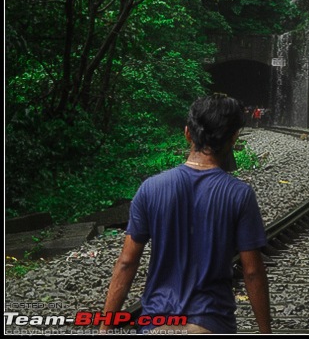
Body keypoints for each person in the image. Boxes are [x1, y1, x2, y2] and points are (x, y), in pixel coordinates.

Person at [101, 94, 271, 334]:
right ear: (234, 137)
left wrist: (105, 327)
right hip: (209, 324)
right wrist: (266, 331)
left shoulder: (151, 188)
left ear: (187, 134)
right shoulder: (239, 195)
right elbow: (252, 272)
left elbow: (127, 263)